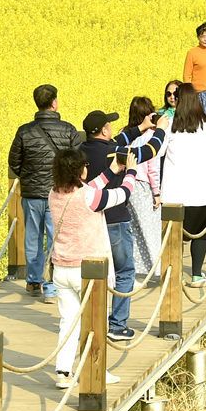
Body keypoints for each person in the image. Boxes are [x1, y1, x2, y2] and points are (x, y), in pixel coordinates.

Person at [48, 141, 141, 388]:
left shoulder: (54, 193)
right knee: (95, 322)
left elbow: (88, 189)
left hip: (62, 269)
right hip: (88, 271)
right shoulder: (88, 196)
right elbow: (122, 194)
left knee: (68, 321)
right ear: (80, 171)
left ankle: (63, 371)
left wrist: (112, 170)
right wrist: (130, 172)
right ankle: (96, 368)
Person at [8, 84, 83, 304]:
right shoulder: (68, 130)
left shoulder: (24, 131)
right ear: (54, 103)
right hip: (58, 192)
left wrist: (29, 177)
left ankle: (33, 280)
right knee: (55, 239)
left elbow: (14, 161)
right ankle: (51, 288)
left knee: (32, 236)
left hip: (31, 194)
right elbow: (78, 160)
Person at [79, 110, 143, 341]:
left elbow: (118, 141)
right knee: (124, 271)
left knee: (95, 274)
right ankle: (117, 326)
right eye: (109, 126)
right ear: (105, 130)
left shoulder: (81, 151)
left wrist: (140, 128)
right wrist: (162, 129)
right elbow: (148, 151)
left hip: (90, 221)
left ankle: (93, 324)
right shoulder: (114, 153)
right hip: (115, 218)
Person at [158, 85, 206, 288]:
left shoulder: (169, 124)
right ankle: (196, 275)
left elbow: (158, 151)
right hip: (201, 191)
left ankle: (173, 274)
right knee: (200, 235)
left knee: (174, 237)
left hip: (174, 193)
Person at [114, 97, 165, 283]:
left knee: (131, 230)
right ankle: (156, 270)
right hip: (143, 186)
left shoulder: (123, 134)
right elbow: (153, 168)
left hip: (125, 185)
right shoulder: (151, 137)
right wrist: (157, 193)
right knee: (150, 229)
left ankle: (133, 269)